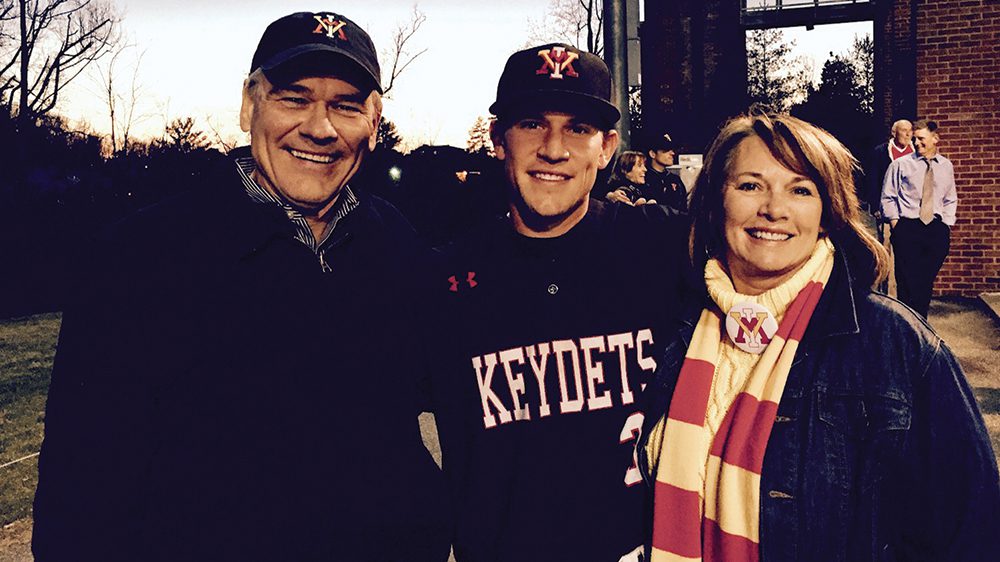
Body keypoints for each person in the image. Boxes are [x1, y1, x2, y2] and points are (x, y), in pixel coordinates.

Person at [32, 11, 448, 561]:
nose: (320, 128)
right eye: (294, 98)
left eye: (346, 105)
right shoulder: (142, 257)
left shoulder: (392, 239)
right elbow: (79, 495)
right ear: (251, 104)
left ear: (373, 122)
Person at [638, 111, 998, 561]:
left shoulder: (895, 345)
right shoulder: (672, 326)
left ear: (827, 214)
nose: (773, 208)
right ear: (715, 203)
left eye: (801, 190)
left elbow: (971, 530)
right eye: (750, 185)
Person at [424, 43, 689, 561]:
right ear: (499, 139)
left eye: (578, 128)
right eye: (531, 123)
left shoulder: (661, 246)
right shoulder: (444, 279)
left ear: (607, 146)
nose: (554, 148)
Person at [881, 119, 957, 317]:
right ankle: (913, 326)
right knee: (906, 280)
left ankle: (917, 323)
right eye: (914, 139)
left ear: (935, 138)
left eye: (921, 139)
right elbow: (888, 196)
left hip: (935, 228)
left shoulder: (946, 166)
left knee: (924, 279)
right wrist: (896, 225)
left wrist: (946, 225)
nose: (916, 143)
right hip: (908, 226)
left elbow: (950, 198)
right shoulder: (900, 165)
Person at [644, 132, 688, 214]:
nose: (672, 153)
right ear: (652, 154)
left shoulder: (675, 179)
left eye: (671, 150)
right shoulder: (643, 178)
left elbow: (684, 208)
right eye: (666, 150)